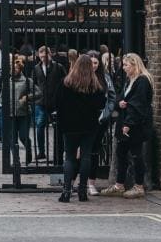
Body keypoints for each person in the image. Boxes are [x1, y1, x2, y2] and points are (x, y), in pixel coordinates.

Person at [102, 53, 154, 199]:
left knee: (136, 155)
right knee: (121, 154)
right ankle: (119, 185)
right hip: (125, 122)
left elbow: (138, 105)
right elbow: (121, 97)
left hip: (135, 125)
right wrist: (119, 103)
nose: (123, 68)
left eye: (126, 65)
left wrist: (128, 124)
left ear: (134, 65)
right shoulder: (130, 80)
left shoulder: (142, 81)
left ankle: (139, 186)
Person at [55, 54, 106, 202]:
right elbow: (101, 105)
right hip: (89, 125)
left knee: (70, 157)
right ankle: (82, 190)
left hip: (69, 125)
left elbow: (57, 103)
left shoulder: (66, 83)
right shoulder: (95, 86)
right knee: (86, 156)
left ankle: (66, 191)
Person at [86, 50, 116, 196]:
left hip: (100, 119)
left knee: (94, 151)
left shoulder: (105, 77)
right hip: (84, 119)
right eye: (90, 63)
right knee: (80, 151)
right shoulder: (80, 77)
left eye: (96, 63)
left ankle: (91, 183)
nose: (93, 66)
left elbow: (111, 97)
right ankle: (74, 182)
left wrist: (106, 113)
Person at [31, 45, 66, 160]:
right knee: (40, 127)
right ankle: (41, 151)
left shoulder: (58, 67)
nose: (43, 59)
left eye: (45, 56)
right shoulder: (36, 68)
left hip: (56, 102)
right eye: (41, 57)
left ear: (50, 55)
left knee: (59, 128)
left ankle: (59, 152)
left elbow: (64, 82)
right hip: (41, 102)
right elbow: (34, 84)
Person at [8, 55, 33, 161]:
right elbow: (1, 96)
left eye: (16, 68)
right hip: (10, 113)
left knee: (23, 137)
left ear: (20, 69)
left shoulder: (27, 81)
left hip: (24, 113)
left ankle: (28, 151)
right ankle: (16, 159)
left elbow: (37, 93)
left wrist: (27, 97)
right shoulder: (7, 81)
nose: (14, 71)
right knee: (12, 138)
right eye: (12, 69)